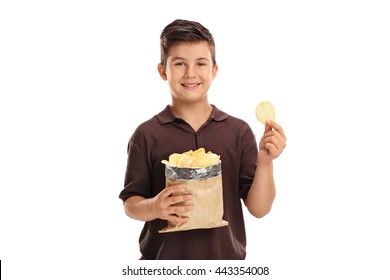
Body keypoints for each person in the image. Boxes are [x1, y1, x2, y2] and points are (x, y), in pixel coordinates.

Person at [119, 19, 287, 260]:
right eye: (179, 63)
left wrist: (266, 162)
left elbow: (259, 209)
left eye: (200, 63)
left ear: (214, 70)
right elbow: (130, 203)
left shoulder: (237, 131)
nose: (190, 73)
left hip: (225, 264)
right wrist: (154, 207)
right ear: (162, 71)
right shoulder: (147, 134)